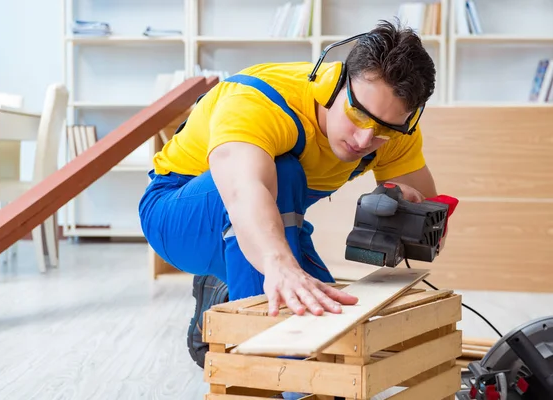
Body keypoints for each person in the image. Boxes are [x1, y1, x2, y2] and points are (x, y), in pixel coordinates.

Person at [138, 19, 440, 369]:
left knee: (329, 326)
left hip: (265, 219)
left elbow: (433, 220)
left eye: (383, 130)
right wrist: (278, 264)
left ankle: (226, 290)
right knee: (283, 174)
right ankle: (263, 370)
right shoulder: (260, 100)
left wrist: (410, 213)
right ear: (336, 83)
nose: (363, 139)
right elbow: (242, 191)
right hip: (176, 217)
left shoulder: (395, 130)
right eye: (357, 114)